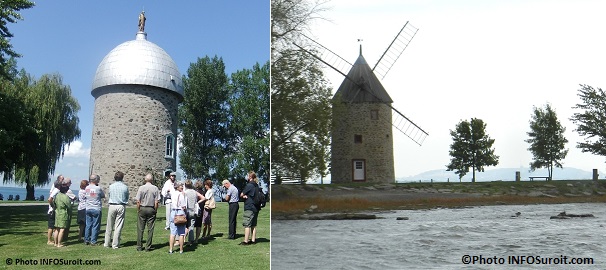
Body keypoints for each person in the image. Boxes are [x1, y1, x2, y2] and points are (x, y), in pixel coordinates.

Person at [104, 171, 129, 249]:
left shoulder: (111, 186)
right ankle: (115, 244)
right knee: (118, 226)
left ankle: (107, 243)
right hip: (121, 205)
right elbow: (126, 196)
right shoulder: (125, 187)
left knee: (109, 225)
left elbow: (109, 195)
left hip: (112, 205)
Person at [135, 174, 160, 252]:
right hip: (151, 208)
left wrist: (138, 209)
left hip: (142, 207)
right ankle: (148, 246)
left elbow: (138, 201)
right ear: (152, 180)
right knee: (150, 228)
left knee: (140, 228)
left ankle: (139, 246)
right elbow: (156, 201)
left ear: (145, 179)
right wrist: (155, 210)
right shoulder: (155, 188)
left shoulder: (141, 188)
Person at [239, 171, 260, 245]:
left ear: (250, 177)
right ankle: (253, 240)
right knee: (253, 225)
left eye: (248, 176)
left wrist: (244, 196)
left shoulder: (249, 185)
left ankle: (246, 241)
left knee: (247, 224)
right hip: (256, 207)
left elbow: (241, 194)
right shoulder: (256, 185)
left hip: (249, 207)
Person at [84, 174, 105, 246]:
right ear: (95, 180)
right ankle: (93, 241)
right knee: (95, 225)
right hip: (96, 207)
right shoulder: (98, 188)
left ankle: (86, 239)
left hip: (88, 208)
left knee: (88, 225)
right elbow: (103, 195)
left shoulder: (86, 188)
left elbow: (85, 196)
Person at [183, 179, 204, 245]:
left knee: (184, 226)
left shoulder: (185, 192)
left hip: (187, 210)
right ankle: (190, 241)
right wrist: (197, 202)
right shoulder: (195, 192)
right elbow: (203, 198)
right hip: (193, 210)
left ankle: (181, 239)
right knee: (191, 226)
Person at [168, 182, 187, 254]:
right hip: (180, 213)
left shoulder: (173, 194)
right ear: (177, 187)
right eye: (181, 186)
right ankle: (181, 250)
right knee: (181, 233)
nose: (182, 187)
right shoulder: (181, 195)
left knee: (172, 232)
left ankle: (170, 249)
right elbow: (183, 206)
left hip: (173, 212)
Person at [53, 179, 72, 247]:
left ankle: (55, 243)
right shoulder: (65, 197)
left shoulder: (57, 195)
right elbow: (69, 205)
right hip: (63, 213)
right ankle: (59, 243)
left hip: (57, 212)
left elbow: (54, 203)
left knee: (57, 229)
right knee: (62, 229)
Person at [47, 176, 62, 245]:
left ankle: (53, 239)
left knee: (54, 226)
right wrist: (53, 206)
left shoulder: (56, 190)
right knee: (51, 226)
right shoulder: (56, 190)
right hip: (52, 211)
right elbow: (49, 199)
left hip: (53, 210)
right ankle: (49, 240)